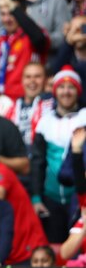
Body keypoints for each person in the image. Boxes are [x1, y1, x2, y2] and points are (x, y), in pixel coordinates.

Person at [32, 66, 86, 243]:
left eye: (71, 87)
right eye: (61, 87)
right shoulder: (45, 122)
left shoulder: (84, 117)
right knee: (54, 247)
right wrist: (37, 197)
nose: (66, 92)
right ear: (55, 91)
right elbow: (38, 163)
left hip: (80, 196)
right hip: (51, 196)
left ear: (77, 91)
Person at [0, 0, 49, 101]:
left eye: (11, 13)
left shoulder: (32, 37)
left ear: (23, 13)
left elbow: (39, 38)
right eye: (3, 14)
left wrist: (14, 9)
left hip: (27, 100)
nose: (7, 19)